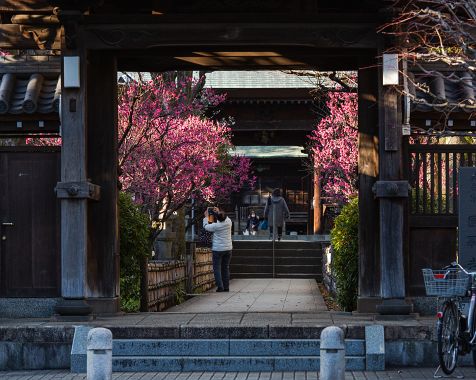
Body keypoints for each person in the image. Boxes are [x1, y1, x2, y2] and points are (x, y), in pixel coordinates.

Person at [203, 207, 233, 292]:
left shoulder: (216, 226)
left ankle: (220, 287)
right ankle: (226, 287)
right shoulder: (229, 222)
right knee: (225, 267)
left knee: (217, 268)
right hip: (228, 249)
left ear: (218, 218)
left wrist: (206, 217)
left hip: (218, 249)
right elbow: (223, 217)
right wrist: (218, 211)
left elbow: (206, 227)